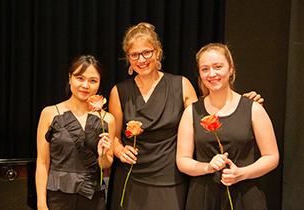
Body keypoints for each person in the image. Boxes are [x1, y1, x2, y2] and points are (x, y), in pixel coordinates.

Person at [107, 23, 263, 210]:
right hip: (131, 179)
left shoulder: (180, 85)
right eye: (134, 55)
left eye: (147, 52)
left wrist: (242, 105)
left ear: (157, 53)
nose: (141, 59)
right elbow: (113, 136)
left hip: (171, 179)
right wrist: (119, 149)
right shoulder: (119, 91)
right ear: (128, 59)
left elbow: (205, 113)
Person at [176, 43, 279, 210]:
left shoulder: (253, 108)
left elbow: (272, 157)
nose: (212, 74)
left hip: (245, 196)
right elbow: (182, 161)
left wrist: (241, 174)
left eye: (218, 67)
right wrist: (207, 167)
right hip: (204, 197)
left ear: (230, 69)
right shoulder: (191, 112)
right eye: (205, 69)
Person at [35, 55, 115, 210]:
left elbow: (106, 165)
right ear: (70, 78)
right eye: (80, 78)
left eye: (93, 80)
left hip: (93, 196)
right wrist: (41, 203)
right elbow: (42, 162)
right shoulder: (50, 113)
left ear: (99, 84)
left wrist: (102, 155)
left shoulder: (107, 119)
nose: (85, 85)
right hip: (58, 196)